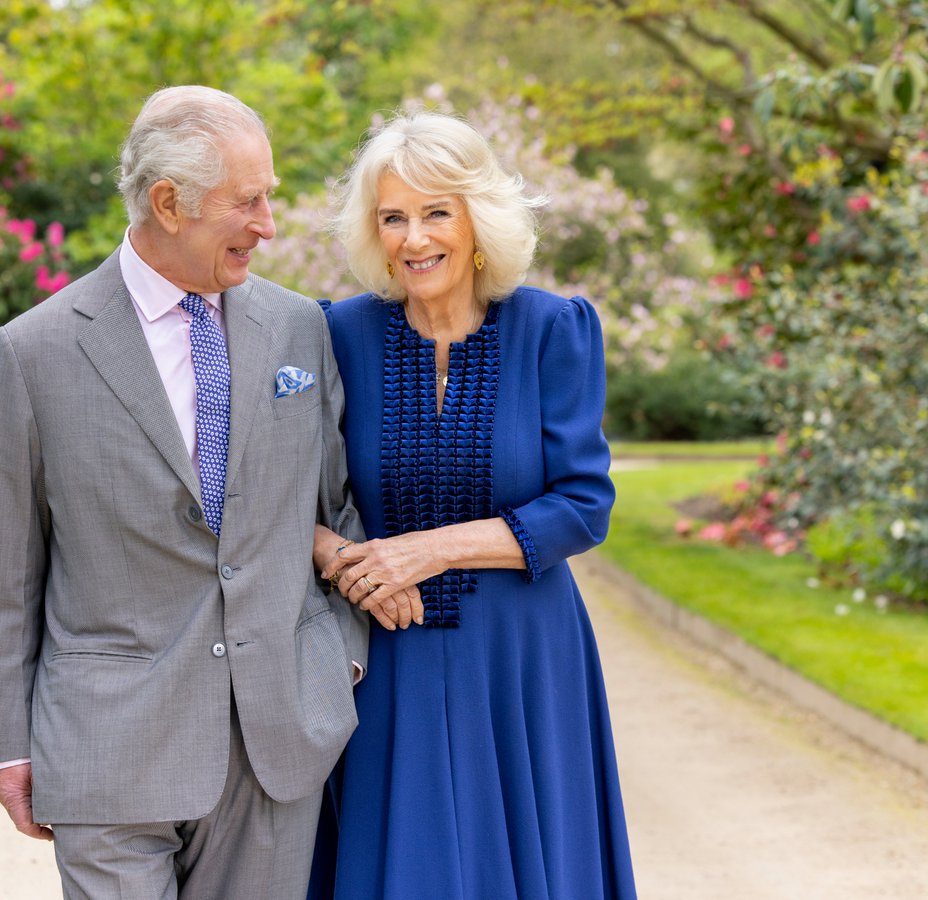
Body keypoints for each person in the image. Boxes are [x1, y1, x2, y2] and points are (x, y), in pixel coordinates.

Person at [0, 85, 418, 899]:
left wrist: (334, 662)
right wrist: (9, 745)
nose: (269, 225)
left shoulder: (296, 329)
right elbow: (5, 571)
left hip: (274, 740)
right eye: (248, 202)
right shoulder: (33, 354)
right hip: (108, 751)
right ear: (169, 203)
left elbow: (334, 505)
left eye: (269, 197)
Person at [309, 111, 637, 899]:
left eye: (435, 213)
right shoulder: (333, 335)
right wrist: (342, 561)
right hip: (388, 654)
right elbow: (281, 494)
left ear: (477, 221)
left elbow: (585, 504)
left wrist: (432, 548)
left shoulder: (554, 328)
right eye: (393, 217)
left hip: (525, 659)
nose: (414, 238)